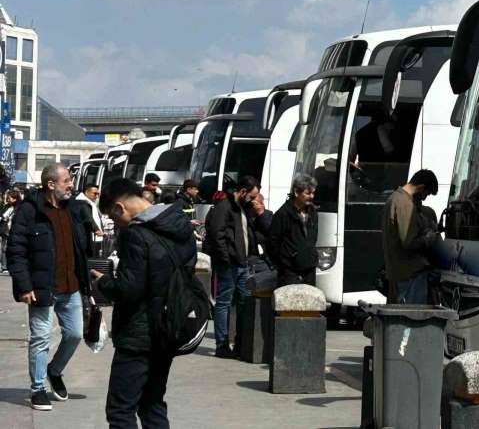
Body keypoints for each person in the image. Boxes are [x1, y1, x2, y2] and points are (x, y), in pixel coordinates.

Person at [91, 178, 196, 429]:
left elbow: (129, 289)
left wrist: (104, 281)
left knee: (120, 410)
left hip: (138, 334)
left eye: (114, 218)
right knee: (152, 403)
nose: (117, 224)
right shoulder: (179, 224)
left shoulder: (135, 235)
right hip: (169, 327)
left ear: (120, 208)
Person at [7, 163, 92, 411]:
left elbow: (81, 247)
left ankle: (54, 370)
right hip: (43, 288)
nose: (71, 185)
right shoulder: (29, 210)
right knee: (40, 338)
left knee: (75, 334)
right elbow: (16, 251)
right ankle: (37, 389)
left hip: (71, 286)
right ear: (51, 184)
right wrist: (25, 286)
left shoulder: (73, 208)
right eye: (67, 181)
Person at [205, 175, 263, 358]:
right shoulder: (225, 206)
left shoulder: (243, 208)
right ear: (243, 191)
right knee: (224, 302)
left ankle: (240, 343)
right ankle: (222, 344)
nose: (253, 200)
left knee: (244, 301)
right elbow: (217, 234)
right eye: (252, 196)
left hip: (243, 263)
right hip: (229, 263)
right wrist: (225, 258)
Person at [382, 169, 439, 304]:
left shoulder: (395, 198)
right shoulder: (405, 203)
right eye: (426, 194)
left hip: (398, 270)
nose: (424, 198)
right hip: (410, 273)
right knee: (413, 314)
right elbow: (409, 242)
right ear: (421, 187)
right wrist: (427, 238)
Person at [268, 174, 319, 286]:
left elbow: (313, 238)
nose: (312, 196)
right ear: (296, 192)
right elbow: (272, 242)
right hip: (289, 271)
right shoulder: (283, 214)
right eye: (308, 193)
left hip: (309, 269)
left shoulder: (313, 212)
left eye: (313, 193)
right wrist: (284, 263)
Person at [0, 189, 22, 272]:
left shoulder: (20, 208)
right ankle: (4, 266)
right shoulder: (6, 207)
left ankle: (15, 265)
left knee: (15, 249)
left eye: (9, 198)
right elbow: (2, 216)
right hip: (5, 231)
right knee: (4, 249)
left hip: (15, 232)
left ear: (15, 198)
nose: (7, 200)